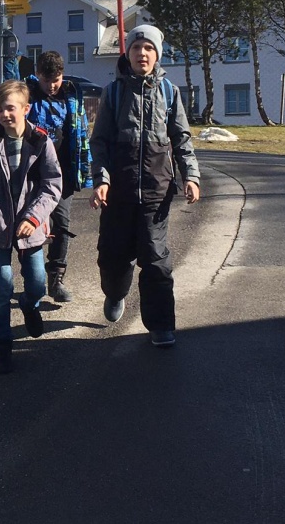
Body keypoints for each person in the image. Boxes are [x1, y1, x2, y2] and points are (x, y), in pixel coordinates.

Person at [89, 24, 201, 348]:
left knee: (155, 259)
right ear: (128, 53)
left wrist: (191, 176)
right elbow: (100, 142)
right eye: (137, 48)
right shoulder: (113, 93)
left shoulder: (169, 92)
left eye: (149, 48)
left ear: (157, 55)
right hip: (118, 193)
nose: (142, 53)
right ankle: (115, 292)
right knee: (113, 256)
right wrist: (102, 179)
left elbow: (182, 139)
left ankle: (161, 325)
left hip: (156, 191)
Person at [0, 79, 63, 374]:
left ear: (25, 109)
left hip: (31, 227)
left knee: (37, 283)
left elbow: (52, 185)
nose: (4, 114)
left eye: (10, 108)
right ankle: (3, 344)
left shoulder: (42, 142)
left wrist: (33, 218)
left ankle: (30, 306)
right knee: (3, 285)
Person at [26, 51, 92, 303]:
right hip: (32, 175)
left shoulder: (72, 95)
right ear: (38, 75)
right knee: (31, 225)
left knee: (62, 225)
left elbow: (82, 130)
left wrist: (86, 171)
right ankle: (32, 278)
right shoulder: (27, 95)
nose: (52, 86)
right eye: (47, 81)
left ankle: (56, 279)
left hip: (64, 174)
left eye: (56, 80)